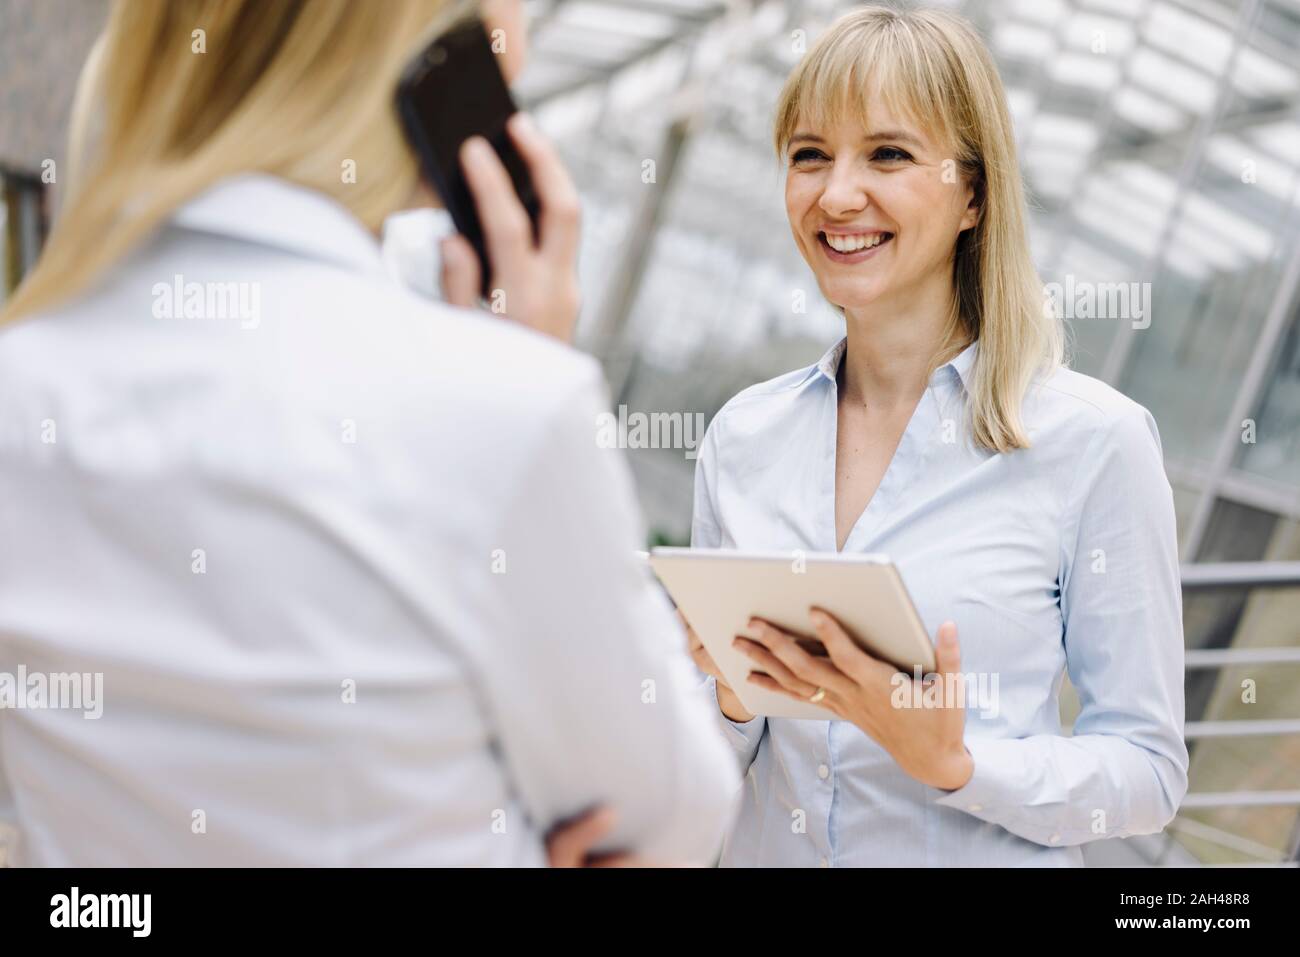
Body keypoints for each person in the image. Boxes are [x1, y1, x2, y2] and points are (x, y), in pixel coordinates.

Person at [0, 0, 736, 866]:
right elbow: (670, 820)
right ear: (439, 78)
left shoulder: (27, 377)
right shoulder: (504, 410)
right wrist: (520, 365)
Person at [683, 6, 1188, 867]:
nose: (837, 194)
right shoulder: (744, 436)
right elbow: (696, 769)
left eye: (888, 154)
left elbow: (1147, 770)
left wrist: (958, 764)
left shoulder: (1095, 442)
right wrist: (730, 700)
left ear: (974, 196)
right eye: (810, 155)